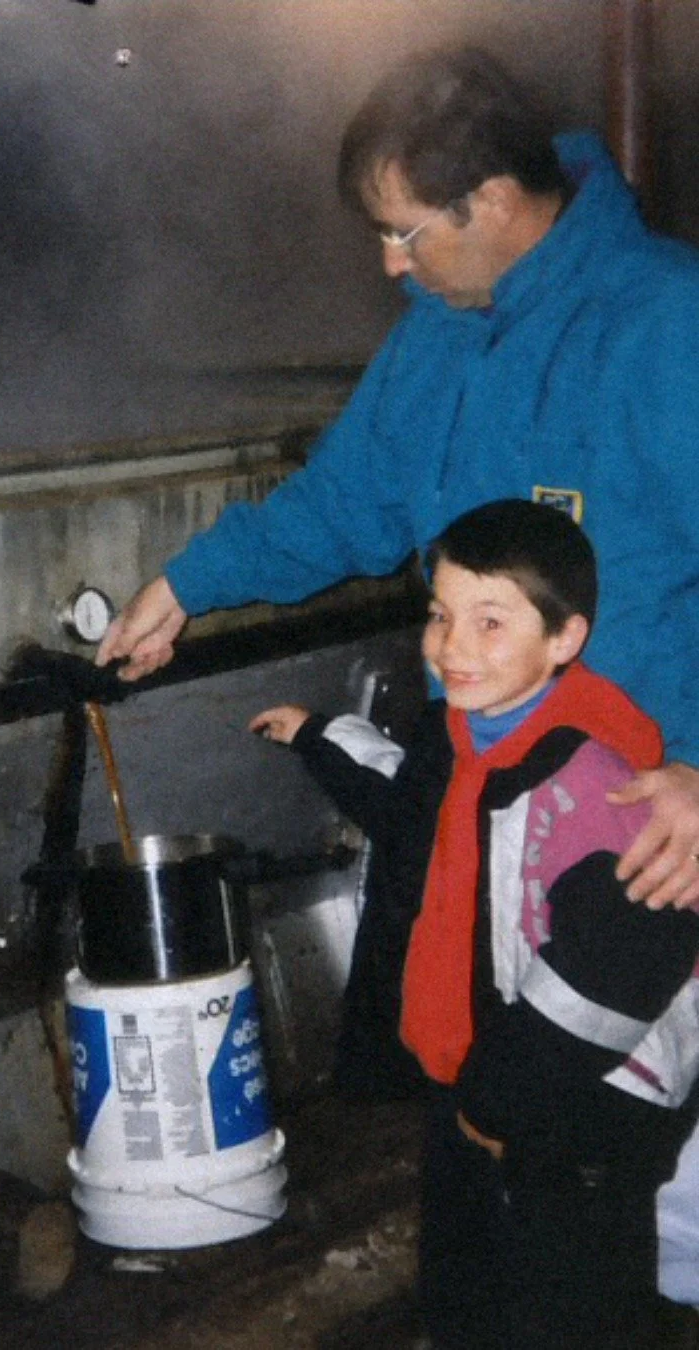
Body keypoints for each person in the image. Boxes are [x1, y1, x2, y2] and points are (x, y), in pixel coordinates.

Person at [96, 44, 699, 916]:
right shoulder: (438, 335)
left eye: (401, 231)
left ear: (491, 201)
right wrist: (189, 583)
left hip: (647, 822)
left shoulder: (666, 321)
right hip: (479, 786)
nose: (389, 263)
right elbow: (347, 502)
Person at [250, 499, 699, 1350]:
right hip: (481, 1079)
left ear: (564, 639)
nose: (452, 647)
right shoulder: (471, 735)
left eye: (490, 623)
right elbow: (409, 805)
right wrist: (318, 736)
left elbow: (627, 962)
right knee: (466, 1304)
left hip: (584, 1116)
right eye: (440, 615)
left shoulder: (591, 782)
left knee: (573, 1318)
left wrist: (500, 1105)